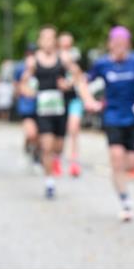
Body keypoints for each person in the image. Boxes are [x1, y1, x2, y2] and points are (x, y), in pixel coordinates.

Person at [78, 26, 134, 222]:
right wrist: (89, 100)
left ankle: (122, 184)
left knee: (133, 164)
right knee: (117, 158)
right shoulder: (102, 64)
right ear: (110, 44)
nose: (119, 48)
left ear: (128, 44)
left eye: (123, 44)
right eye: (115, 44)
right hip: (112, 117)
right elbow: (83, 82)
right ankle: (125, 201)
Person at [19, 26, 76, 199]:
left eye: (51, 38)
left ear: (55, 41)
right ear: (40, 41)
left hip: (60, 107)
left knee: (58, 147)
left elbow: (77, 76)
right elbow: (23, 83)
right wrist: (28, 91)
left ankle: (50, 162)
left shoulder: (63, 57)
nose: (48, 42)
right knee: (47, 146)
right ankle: (49, 182)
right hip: (43, 109)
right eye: (44, 38)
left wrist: (68, 84)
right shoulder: (33, 61)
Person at [58, 32, 85, 177]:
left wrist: (72, 81)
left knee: (74, 128)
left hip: (74, 97)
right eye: (64, 44)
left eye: (69, 44)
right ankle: (56, 159)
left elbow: (80, 75)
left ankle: (74, 161)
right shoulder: (53, 58)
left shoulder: (76, 57)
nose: (67, 46)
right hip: (58, 100)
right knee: (60, 131)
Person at [13, 44, 41, 171]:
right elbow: (16, 86)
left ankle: (36, 157)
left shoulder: (42, 67)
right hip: (26, 104)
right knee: (31, 133)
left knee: (40, 135)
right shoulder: (20, 68)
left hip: (41, 105)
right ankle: (26, 149)